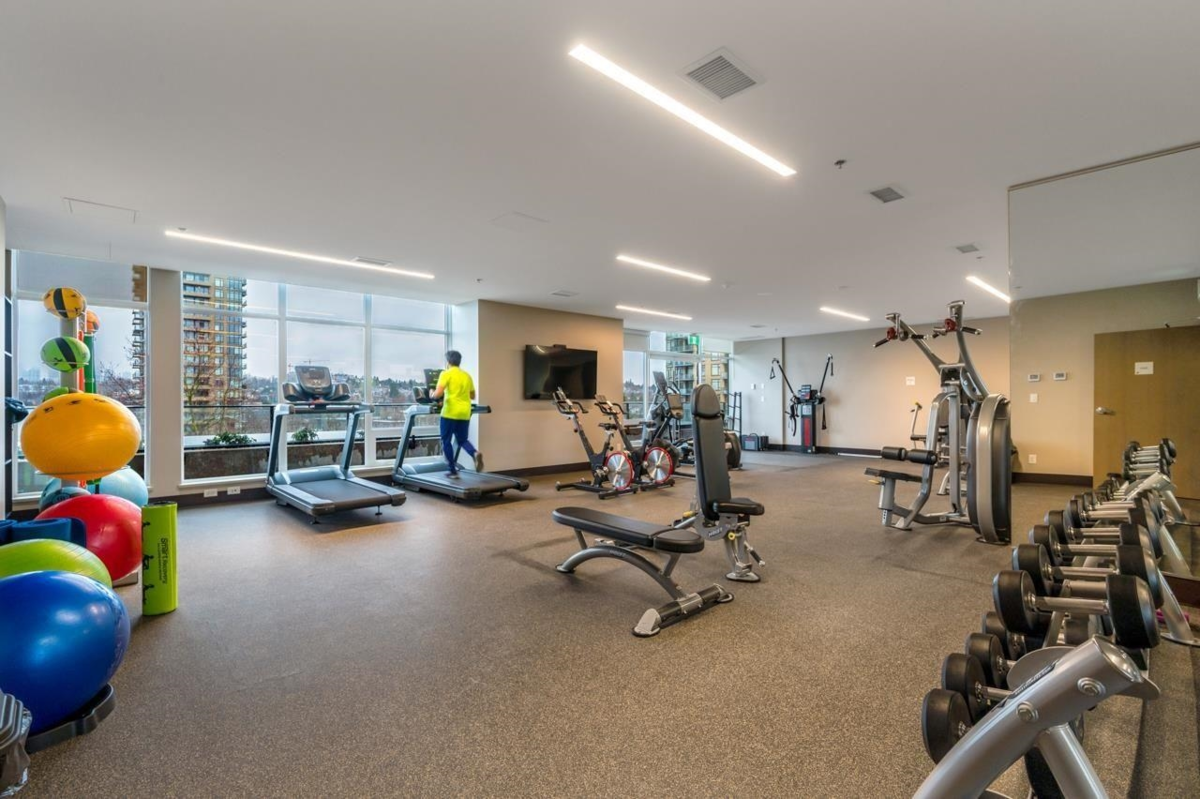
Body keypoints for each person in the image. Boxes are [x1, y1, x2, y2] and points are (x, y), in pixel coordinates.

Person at [432, 350, 484, 478]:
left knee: (446, 441)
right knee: (462, 440)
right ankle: (474, 453)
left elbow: (438, 394)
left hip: (450, 412)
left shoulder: (446, 374)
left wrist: (432, 394)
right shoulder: (466, 375)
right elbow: (472, 396)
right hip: (464, 412)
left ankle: (452, 471)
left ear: (448, 361)